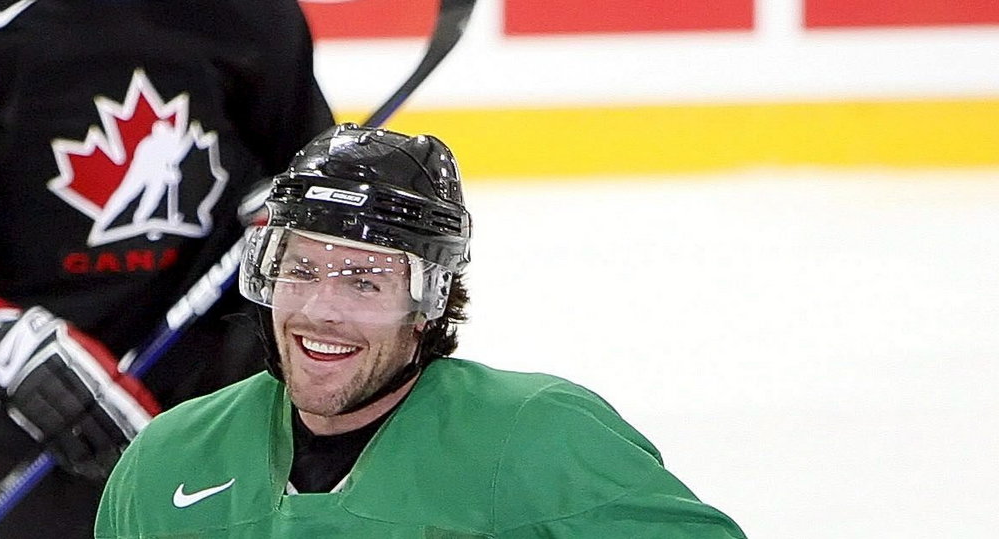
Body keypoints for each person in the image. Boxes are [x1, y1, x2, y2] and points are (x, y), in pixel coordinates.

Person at [0, 0, 333, 536]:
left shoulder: (245, 1)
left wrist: (293, 215)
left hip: (226, 418)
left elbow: (304, 175)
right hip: (43, 430)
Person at [94, 124, 747, 538]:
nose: (322, 308)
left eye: (364, 281)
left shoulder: (536, 440)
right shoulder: (168, 459)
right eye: (301, 269)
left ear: (429, 301)